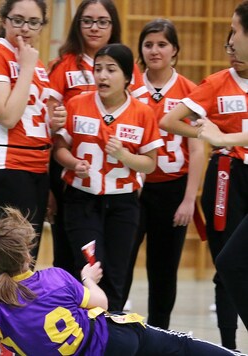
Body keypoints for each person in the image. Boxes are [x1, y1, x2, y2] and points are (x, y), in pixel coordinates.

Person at [0, 206, 242, 356]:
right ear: (27, 253)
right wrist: (88, 280)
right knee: (182, 346)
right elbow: (101, 302)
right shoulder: (55, 277)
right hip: (112, 342)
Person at [161, 2, 248, 345]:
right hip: (228, 175)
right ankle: (229, 345)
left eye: (234, 32)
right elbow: (168, 120)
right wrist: (207, 135)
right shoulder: (217, 83)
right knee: (227, 263)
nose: (229, 44)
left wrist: (223, 136)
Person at [53, 44, 163, 311]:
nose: (102, 76)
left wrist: (125, 156)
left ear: (127, 77)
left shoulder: (142, 113)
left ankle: (110, 337)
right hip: (82, 201)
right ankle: (84, 338)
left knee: (116, 275)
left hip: (123, 205)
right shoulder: (77, 104)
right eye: (98, 69)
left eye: (110, 70)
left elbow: (150, 164)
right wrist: (73, 162)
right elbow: (59, 149)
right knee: (91, 268)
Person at [0, 0, 66, 298]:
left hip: (35, 166)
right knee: (10, 261)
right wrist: (25, 67)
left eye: (34, 22)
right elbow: (7, 116)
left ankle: (9, 338)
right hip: (4, 164)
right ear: (3, 19)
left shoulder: (35, 64)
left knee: (24, 263)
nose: (26, 28)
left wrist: (53, 121)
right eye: (18, 19)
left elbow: (27, 117)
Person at [47, 0, 146, 278]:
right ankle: (70, 313)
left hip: (118, 174)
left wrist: (137, 177)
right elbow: (50, 127)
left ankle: (107, 313)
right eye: (87, 20)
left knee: (113, 261)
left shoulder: (129, 66)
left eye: (103, 21)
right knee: (69, 254)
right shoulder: (62, 65)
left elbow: (142, 121)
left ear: (113, 26)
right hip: (71, 167)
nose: (94, 27)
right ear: (77, 24)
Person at [122, 19, 204, 329]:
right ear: (140, 49)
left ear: (175, 50)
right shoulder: (129, 87)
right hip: (133, 189)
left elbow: (197, 149)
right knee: (121, 264)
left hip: (172, 189)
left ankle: (160, 333)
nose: (154, 50)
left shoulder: (190, 91)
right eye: (148, 44)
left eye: (162, 44)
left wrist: (187, 200)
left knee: (164, 269)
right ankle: (113, 331)